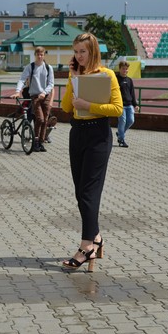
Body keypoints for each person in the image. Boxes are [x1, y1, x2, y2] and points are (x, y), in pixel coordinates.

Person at [60, 33, 123, 271]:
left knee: (88, 192)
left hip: (98, 136)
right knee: (80, 192)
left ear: (93, 51)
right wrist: (73, 80)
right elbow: (66, 107)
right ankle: (96, 238)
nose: (78, 56)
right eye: (75, 52)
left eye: (82, 52)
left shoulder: (107, 75)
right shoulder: (75, 74)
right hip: (77, 134)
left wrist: (88, 106)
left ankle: (86, 246)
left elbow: (117, 109)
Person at [11, 46, 54, 152]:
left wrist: (44, 93)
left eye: (42, 54)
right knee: (40, 119)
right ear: (35, 55)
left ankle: (41, 142)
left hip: (46, 96)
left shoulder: (48, 68)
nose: (40, 56)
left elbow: (51, 84)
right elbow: (22, 79)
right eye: (38, 54)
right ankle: (35, 142)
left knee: (45, 120)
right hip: (35, 96)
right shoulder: (30, 67)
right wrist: (18, 91)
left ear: (44, 55)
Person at [115, 60, 139, 148]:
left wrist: (135, 104)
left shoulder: (129, 80)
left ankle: (120, 133)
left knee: (131, 120)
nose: (125, 70)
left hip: (129, 105)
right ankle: (121, 140)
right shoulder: (116, 79)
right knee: (123, 121)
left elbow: (132, 93)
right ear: (120, 69)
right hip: (120, 105)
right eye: (123, 69)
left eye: (126, 69)